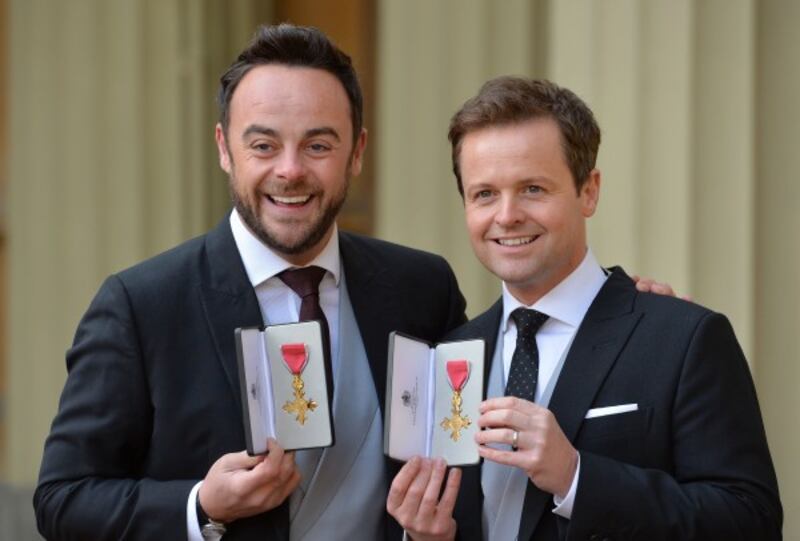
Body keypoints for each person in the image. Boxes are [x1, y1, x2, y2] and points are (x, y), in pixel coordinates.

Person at [33, 24, 467, 541]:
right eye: (263, 144)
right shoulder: (140, 305)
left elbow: (466, 471)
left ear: (357, 152)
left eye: (318, 145)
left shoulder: (421, 287)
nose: (290, 170)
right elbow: (62, 501)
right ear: (224, 149)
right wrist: (201, 506)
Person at [386, 77, 782, 540]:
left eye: (533, 188)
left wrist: (577, 477)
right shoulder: (451, 354)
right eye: (485, 194)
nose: (507, 214)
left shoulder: (685, 338)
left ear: (588, 191)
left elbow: (750, 521)